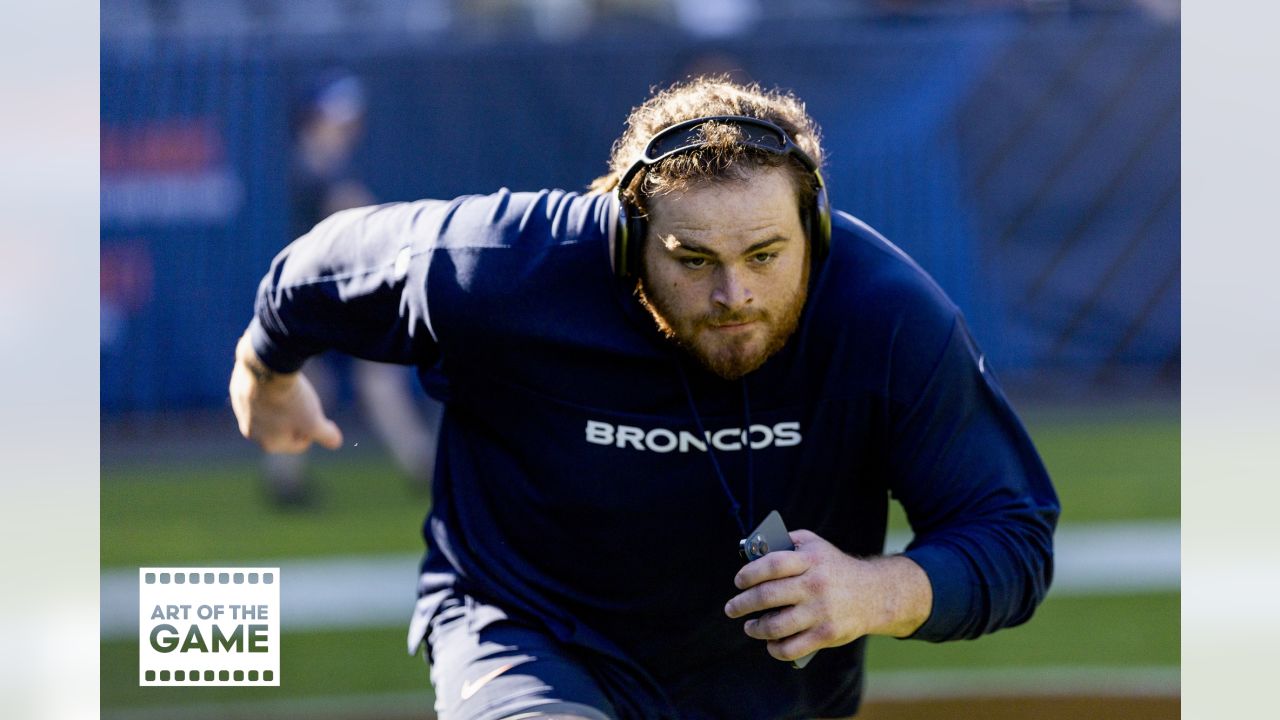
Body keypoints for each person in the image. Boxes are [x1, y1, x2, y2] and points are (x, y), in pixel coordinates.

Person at [229, 77, 1059, 719]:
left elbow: (1012, 537)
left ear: (816, 230)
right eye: (693, 259)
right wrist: (267, 367)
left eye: (767, 254)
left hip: (764, 694)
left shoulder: (887, 318)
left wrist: (873, 592)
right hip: (527, 632)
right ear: (627, 237)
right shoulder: (506, 263)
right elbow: (320, 268)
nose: (734, 293)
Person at [261, 69, 442, 507]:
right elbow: (356, 216)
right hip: (320, 292)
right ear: (312, 119)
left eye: (348, 123)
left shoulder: (325, 166)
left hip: (331, 292)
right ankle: (421, 467)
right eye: (336, 121)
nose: (345, 131)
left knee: (364, 381)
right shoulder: (314, 170)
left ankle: (421, 466)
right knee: (336, 383)